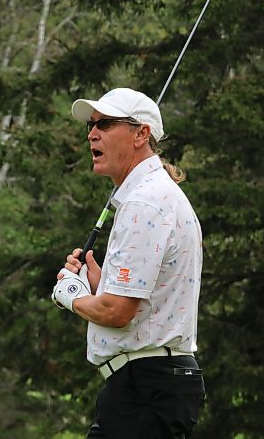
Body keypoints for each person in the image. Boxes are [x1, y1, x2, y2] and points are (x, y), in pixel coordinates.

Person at [52, 88, 205, 438]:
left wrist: (70, 294)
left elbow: (117, 313)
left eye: (105, 124)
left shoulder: (145, 202)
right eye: (91, 125)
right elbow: (135, 303)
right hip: (148, 387)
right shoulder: (153, 194)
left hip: (147, 389)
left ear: (141, 134)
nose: (92, 133)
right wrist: (102, 286)